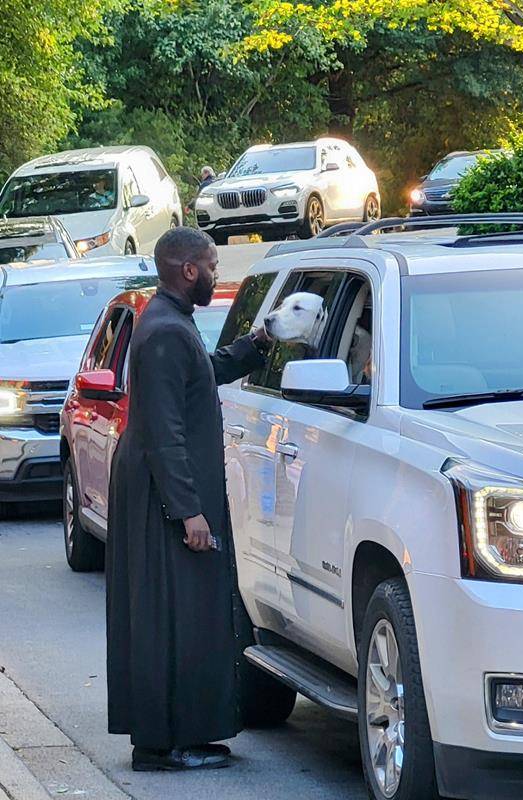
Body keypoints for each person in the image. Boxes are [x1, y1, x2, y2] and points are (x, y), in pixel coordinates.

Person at [106, 226, 270, 772]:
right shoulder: (164, 331)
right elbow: (163, 431)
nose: (218, 275)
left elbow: (201, 375)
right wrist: (188, 512)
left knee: (183, 612)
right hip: (163, 497)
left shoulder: (171, 323)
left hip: (165, 490)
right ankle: (163, 745)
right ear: (189, 270)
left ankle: (179, 735)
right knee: (170, 617)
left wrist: (258, 344)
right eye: (213, 266)